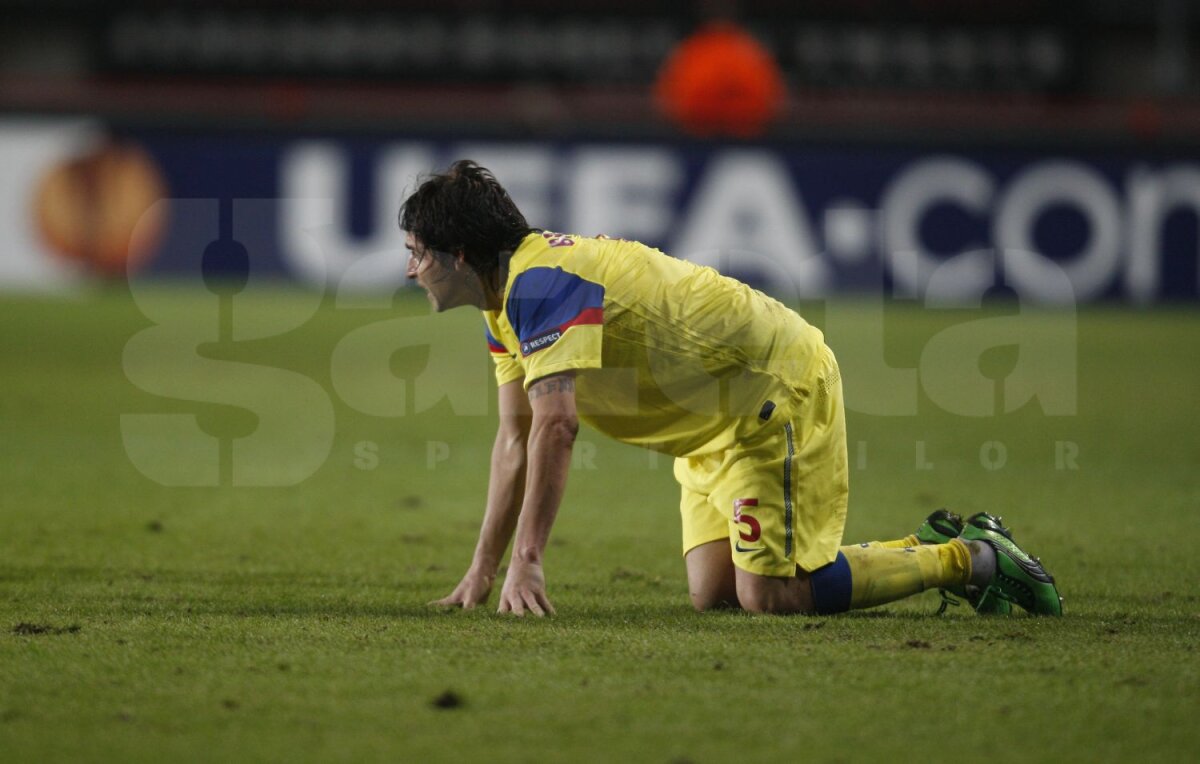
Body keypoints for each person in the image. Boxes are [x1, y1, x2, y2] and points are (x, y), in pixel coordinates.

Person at [400, 159, 1063, 618]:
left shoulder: (542, 284)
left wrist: (529, 561)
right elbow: (514, 439)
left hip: (770, 393)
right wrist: (485, 571)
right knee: (714, 593)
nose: (410, 270)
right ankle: (932, 541)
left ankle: (971, 559)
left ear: (458, 255)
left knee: (771, 597)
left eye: (417, 252)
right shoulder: (507, 304)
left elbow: (556, 428)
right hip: (711, 420)